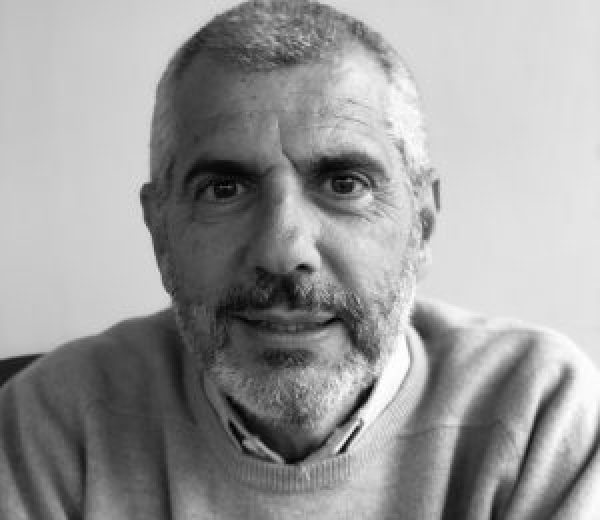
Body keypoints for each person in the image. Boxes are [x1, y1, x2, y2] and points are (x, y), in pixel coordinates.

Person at [1, 1, 599, 518]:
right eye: (224, 189)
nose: (284, 252)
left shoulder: (538, 415)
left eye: (344, 184)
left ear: (422, 222)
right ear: (160, 229)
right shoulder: (56, 423)